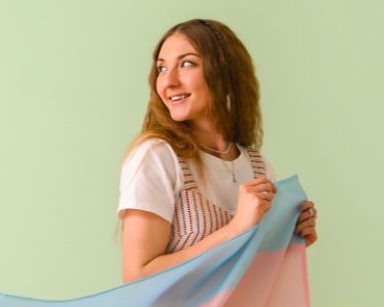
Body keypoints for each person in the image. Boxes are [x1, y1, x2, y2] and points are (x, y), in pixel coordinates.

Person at [117, 19, 317, 283]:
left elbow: (251, 281)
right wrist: (235, 229)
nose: (169, 81)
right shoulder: (157, 156)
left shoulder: (259, 167)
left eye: (187, 63)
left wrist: (289, 237)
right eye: (162, 68)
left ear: (225, 72)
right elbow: (137, 277)